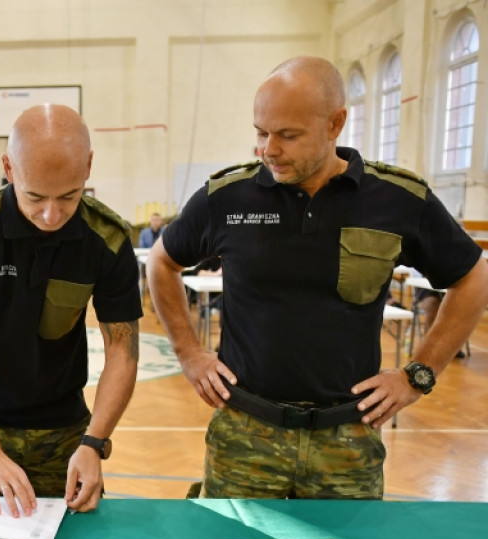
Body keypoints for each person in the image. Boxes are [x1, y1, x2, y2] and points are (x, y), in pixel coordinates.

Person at [147, 56, 488, 501]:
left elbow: (473, 275)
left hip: (347, 440)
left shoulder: (397, 200)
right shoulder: (228, 198)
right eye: (260, 132)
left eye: (287, 135)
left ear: (335, 124)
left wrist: (416, 375)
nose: (269, 149)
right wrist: (189, 354)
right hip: (245, 438)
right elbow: (161, 262)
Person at [0, 103, 142, 517]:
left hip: (64, 434)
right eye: (35, 196)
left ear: (88, 167)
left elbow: (123, 350)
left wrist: (95, 442)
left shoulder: (107, 240)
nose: (51, 214)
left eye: (69, 196)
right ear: (8, 168)